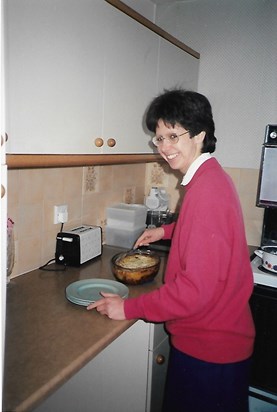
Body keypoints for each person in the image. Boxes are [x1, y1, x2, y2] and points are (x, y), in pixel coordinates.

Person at [87, 89, 255, 412]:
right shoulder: (210, 179)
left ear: (200, 135)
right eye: (158, 138)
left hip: (209, 351)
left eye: (173, 136)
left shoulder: (207, 191)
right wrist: (164, 231)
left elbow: (193, 292)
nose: (164, 148)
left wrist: (128, 308)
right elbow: (205, 231)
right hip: (222, 340)